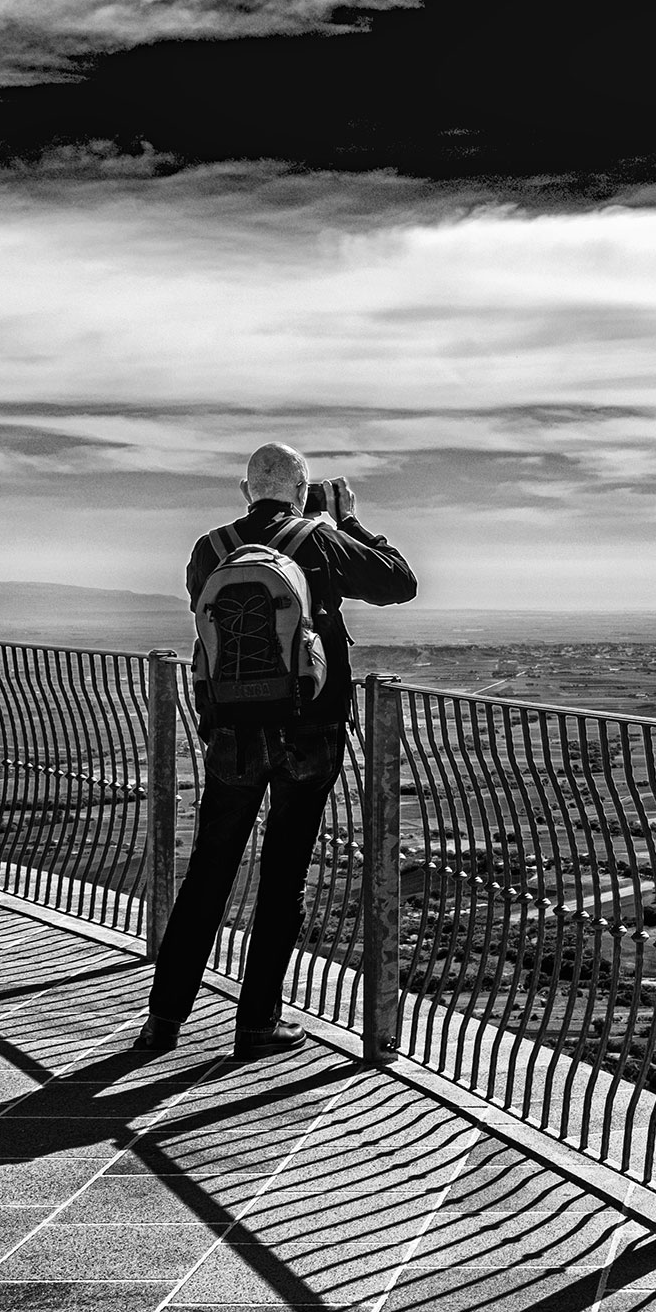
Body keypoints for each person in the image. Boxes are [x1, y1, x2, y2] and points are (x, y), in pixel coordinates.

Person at [136, 442, 416, 1058]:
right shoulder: (318, 538)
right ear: (303, 487)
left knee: (208, 872)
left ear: (245, 490)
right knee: (284, 874)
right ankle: (257, 1023)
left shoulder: (209, 550)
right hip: (308, 732)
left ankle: (162, 1021)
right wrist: (346, 520)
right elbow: (399, 582)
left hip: (231, 736)